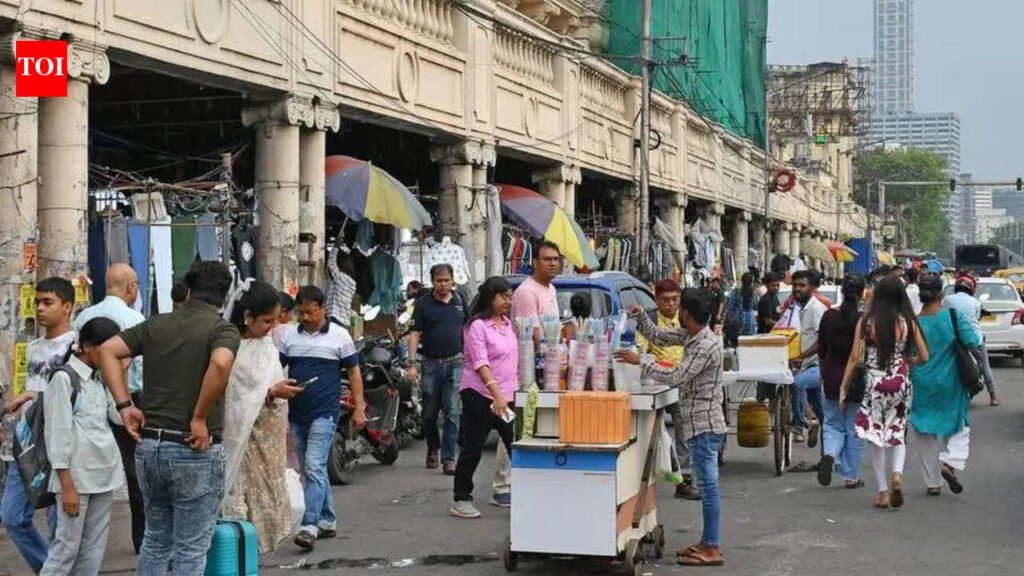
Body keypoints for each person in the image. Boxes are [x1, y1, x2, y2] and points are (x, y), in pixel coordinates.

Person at [97, 260, 241, 575]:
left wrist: (124, 405)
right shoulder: (222, 329)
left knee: (156, 539)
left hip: (151, 448)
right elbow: (219, 365)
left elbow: (106, 351)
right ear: (225, 297)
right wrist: (200, 417)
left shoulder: (156, 324)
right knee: (190, 549)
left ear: (188, 291)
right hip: (193, 450)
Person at [615, 289, 725, 567]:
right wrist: (642, 320)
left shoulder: (706, 345)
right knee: (708, 485)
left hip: (705, 423)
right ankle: (707, 541)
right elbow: (659, 337)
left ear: (686, 313)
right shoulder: (691, 335)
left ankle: (712, 546)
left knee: (709, 487)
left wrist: (642, 361)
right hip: (699, 422)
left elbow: (677, 375)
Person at [277, 285, 365, 551]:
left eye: (310, 312)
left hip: (325, 412)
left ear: (322, 309)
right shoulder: (289, 336)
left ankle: (309, 525)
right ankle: (327, 519)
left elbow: (354, 372)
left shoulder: (339, 336)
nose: (304, 317)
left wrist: (359, 406)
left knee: (314, 467)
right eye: (300, 312)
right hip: (297, 412)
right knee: (309, 469)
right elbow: (274, 366)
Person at [221, 282, 305, 553]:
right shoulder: (231, 348)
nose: (272, 326)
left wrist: (278, 392)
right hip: (245, 443)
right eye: (267, 320)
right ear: (248, 317)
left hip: (271, 440)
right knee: (242, 511)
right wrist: (270, 393)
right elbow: (232, 398)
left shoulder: (266, 343)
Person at [39, 318, 125, 576]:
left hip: (104, 474)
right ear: (87, 346)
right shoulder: (64, 379)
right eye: (108, 349)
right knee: (65, 550)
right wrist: (67, 486)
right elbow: (57, 434)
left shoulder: (100, 379)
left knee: (93, 549)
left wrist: (119, 376)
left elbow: (118, 416)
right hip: (76, 479)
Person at [2, 277, 75, 573]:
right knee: (12, 515)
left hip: (60, 443)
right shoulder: (32, 347)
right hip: (28, 443)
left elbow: (78, 392)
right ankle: (49, 567)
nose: (41, 309)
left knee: (61, 525)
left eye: (48, 302)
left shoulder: (77, 344)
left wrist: (38, 396)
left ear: (67, 307)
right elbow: (27, 386)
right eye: (37, 302)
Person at [73, 264, 147, 554]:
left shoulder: (84, 317)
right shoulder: (134, 318)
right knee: (136, 474)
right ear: (131, 287)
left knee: (90, 466)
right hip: (129, 399)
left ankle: (82, 542)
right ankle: (142, 541)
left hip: (90, 397)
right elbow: (139, 367)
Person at [844, 276, 929, 509]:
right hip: (901, 383)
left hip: (874, 384)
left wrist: (844, 387)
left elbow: (854, 357)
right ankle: (898, 474)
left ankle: (882, 493)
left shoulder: (866, 322)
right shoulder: (908, 322)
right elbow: (924, 356)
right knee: (897, 432)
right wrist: (907, 361)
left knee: (877, 438)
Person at [492, 240, 562, 508]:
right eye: (547, 259)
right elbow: (530, 336)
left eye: (556, 259)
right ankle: (502, 484)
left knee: (534, 422)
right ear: (535, 262)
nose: (552, 263)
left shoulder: (550, 289)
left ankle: (526, 479)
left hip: (546, 367)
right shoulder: (526, 292)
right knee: (513, 422)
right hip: (523, 369)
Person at [450, 276, 519, 519]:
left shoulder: (507, 324)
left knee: (515, 445)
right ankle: (461, 498)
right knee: (473, 447)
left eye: (510, 297)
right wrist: (496, 394)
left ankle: (520, 492)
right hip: (479, 395)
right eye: (503, 297)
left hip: (507, 396)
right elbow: (481, 363)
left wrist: (510, 393)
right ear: (491, 297)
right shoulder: (476, 326)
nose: (508, 302)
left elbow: (511, 360)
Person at [910, 275, 980, 497]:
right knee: (959, 425)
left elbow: (906, 352)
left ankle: (932, 482)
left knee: (924, 430)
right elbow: (972, 341)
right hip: (951, 381)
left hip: (921, 381)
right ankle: (950, 463)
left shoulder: (913, 322)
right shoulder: (952, 316)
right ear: (941, 294)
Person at [637, 279, 699, 500]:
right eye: (666, 300)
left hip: (681, 381)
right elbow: (643, 346)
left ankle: (685, 480)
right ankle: (643, 478)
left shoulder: (686, 320)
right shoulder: (651, 320)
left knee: (684, 431)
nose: (671, 304)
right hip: (656, 383)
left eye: (675, 300)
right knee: (651, 431)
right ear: (656, 299)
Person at [406, 264, 467, 475]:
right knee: (429, 415)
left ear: (452, 280)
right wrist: (411, 363)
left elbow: (468, 330)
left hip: (456, 362)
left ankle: (448, 458)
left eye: (447, 280)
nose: (443, 285)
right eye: (439, 281)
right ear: (432, 282)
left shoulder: (460, 301)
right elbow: (414, 333)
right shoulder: (423, 304)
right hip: (430, 364)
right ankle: (433, 446)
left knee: (452, 411)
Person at [816, 275, 867, 489]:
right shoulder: (864, 319)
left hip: (831, 377)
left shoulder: (828, 316)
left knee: (831, 422)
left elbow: (821, 351)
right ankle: (851, 476)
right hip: (856, 380)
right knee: (854, 428)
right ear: (862, 293)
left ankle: (830, 453)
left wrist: (823, 373)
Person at [942, 274, 999, 406]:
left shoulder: (947, 300)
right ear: (972, 289)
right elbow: (976, 318)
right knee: (985, 366)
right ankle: (993, 396)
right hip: (975, 340)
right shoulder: (975, 302)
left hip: (953, 338)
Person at [788, 270, 827, 446]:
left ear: (811, 287)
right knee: (821, 413)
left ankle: (798, 424)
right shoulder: (798, 308)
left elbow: (822, 342)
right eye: (795, 285)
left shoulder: (817, 309)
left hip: (817, 366)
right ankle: (827, 454)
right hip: (804, 365)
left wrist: (801, 357)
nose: (797, 289)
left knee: (797, 383)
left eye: (802, 285)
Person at [723, 272, 759, 347]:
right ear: (751, 282)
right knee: (749, 346)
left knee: (738, 345)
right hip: (750, 323)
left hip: (738, 322)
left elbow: (730, 306)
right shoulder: (753, 294)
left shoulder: (736, 292)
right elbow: (755, 306)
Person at [326, 246, 357, 328]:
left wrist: (335, 247)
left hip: (335, 318)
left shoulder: (340, 277)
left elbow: (331, 264)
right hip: (345, 321)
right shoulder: (352, 283)